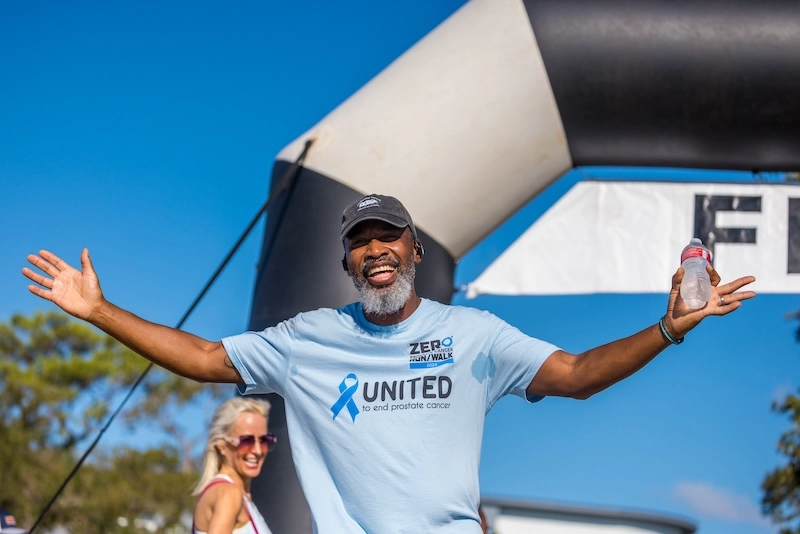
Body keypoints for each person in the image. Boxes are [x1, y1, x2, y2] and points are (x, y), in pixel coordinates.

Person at [22, 193, 756, 533]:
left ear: (415, 251)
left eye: (388, 237)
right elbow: (208, 357)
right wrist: (99, 311)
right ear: (346, 261)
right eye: (359, 241)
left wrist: (668, 327)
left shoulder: (473, 334)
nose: (375, 249)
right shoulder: (307, 337)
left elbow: (576, 375)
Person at [192, 396, 276, 534]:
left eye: (264, 440)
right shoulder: (229, 493)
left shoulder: (230, 493)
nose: (257, 450)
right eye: (247, 441)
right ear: (221, 445)